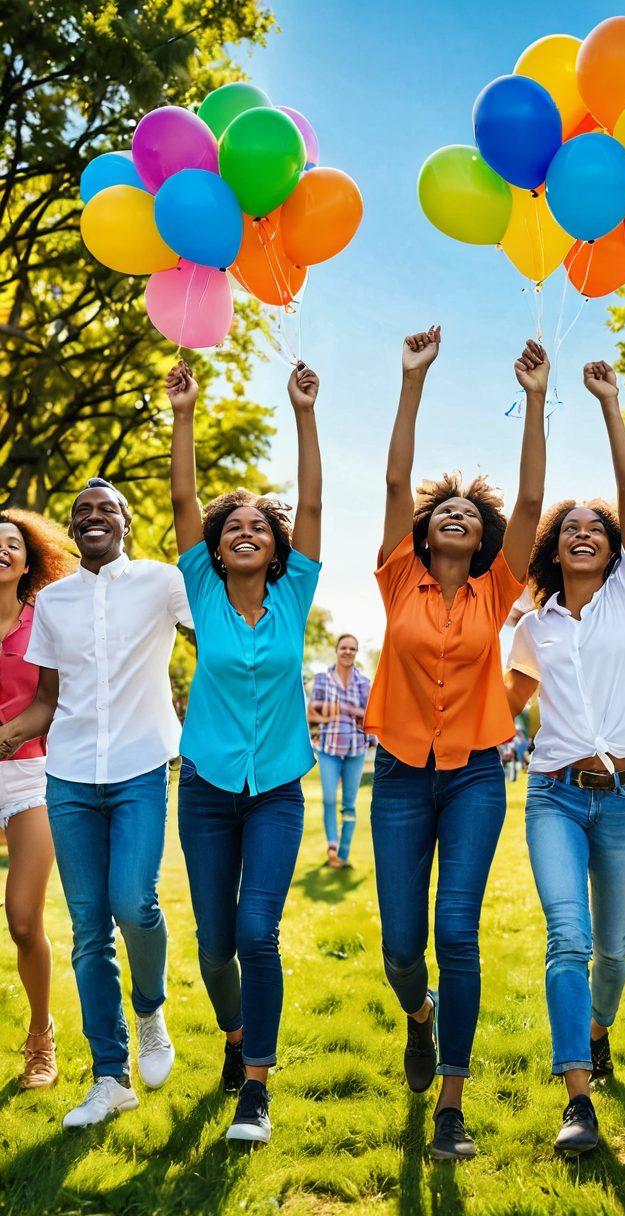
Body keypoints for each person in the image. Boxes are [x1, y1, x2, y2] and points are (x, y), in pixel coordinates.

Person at [364, 327, 547, 1161]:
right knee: (403, 945)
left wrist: (537, 401)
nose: (456, 517)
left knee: (457, 933)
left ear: (483, 540)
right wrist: (412, 382)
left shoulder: (496, 590)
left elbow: (535, 506)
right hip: (400, 774)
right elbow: (399, 477)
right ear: (427, 530)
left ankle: (452, 1104)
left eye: (471, 515)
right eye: (446, 511)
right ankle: (420, 1016)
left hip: (475, 773)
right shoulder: (398, 574)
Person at [0, 478, 191, 1129]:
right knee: (87, 930)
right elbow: (47, 700)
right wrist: (9, 735)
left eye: (104, 508)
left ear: (126, 522)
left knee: (133, 903)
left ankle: (150, 1011)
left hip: (141, 765)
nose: (92, 517)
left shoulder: (165, 583)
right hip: (71, 776)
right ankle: (110, 1077)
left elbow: (217, 640)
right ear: (75, 529)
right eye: (82, 511)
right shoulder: (52, 603)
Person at [167, 357, 322, 1146]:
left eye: (260, 525)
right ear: (217, 551)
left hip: (277, 795)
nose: (245, 530)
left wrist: (303, 412)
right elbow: (186, 499)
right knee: (213, 940)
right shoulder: (199, 591)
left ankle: (255, 1083)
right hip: (204, 791)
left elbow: (315, 502)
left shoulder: (294, 596)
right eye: (234, 528)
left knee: (257, 930)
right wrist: (185, 413)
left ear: (276, 545)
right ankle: (231, 1037)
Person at [505, 359, 625, 1156]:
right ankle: (578, 1098)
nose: (587, 533)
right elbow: (502, 709)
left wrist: (615, 409)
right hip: (557, 796)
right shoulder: (533, 628)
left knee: (613, 947)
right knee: (566, 937)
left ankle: (599, 1027)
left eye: (595, 528)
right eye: (572, 530)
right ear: (554, 553)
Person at [0, 510, 74, 1089]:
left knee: (24, 921)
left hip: (30, 777)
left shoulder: (43, 618)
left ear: (28, 561)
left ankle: (41, 1036)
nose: (2, 550)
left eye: (12, 544)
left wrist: (8, 736)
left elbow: (51, 698)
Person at [307, 634, 372, 868]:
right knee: (328, 799)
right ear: (336, 650)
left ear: (356, 652)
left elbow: (369, 717)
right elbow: (311, 713)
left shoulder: (364, 684)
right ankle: (332, 845)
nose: (348, 651)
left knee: (349, 804)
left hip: (355, 749)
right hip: (328, 748)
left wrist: (340, 709)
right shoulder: (323, 680)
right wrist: (342, 713)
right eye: (343, 647)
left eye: (352, 648)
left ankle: (343, 851)